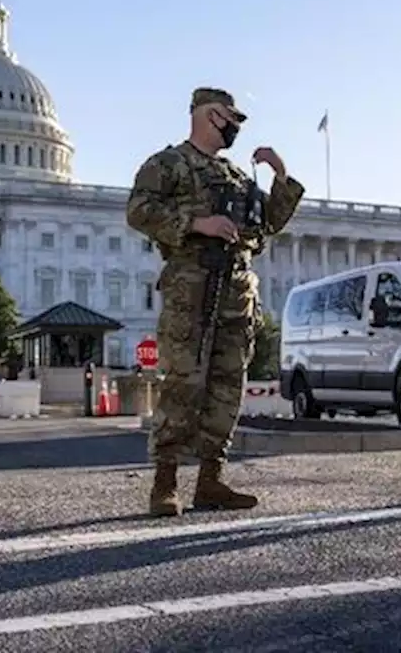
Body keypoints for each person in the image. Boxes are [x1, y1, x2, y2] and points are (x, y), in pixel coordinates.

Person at [127, 87, 304, 517]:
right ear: (208, 115)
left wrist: (282, 178)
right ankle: (164, 483)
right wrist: (197, 223)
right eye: (231, 119)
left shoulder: (238, 176)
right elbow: (138, 211)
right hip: (191, 286)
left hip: (236, 291)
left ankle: (211, 479)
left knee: (227, 385)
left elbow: (267, 224)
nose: (236, 129)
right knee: (183, 382)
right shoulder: (169, 164)